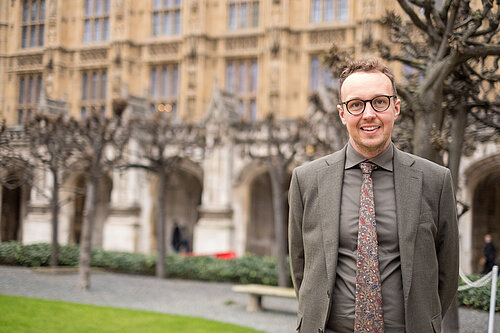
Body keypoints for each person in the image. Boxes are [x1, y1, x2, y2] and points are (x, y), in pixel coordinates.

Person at [288, 58, 459, 333]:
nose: (369, 114)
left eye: (379, 102)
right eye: (356, 104)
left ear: (396, 107)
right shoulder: (306, 179)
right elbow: (301, 266)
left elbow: (447, 273)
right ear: (342, 114)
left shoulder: (435, 180)